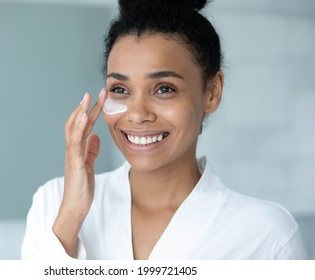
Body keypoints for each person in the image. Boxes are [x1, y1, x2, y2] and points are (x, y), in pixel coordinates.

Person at [21, 0, 308, 260]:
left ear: (212, 92)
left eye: (164, 89)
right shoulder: (54, 203)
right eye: (120, 89)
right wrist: (71, 216)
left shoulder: (267, 237)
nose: (137, 113)